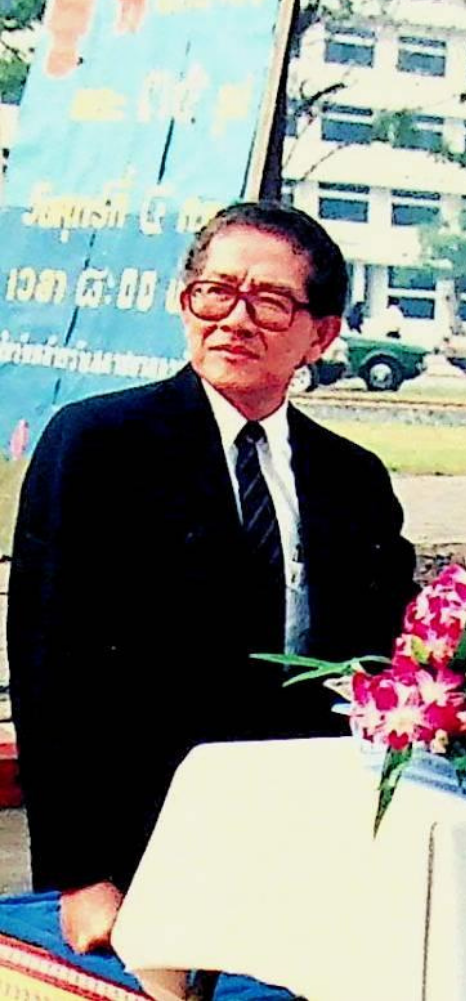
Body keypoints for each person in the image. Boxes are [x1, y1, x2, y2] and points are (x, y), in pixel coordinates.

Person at [8, 202, 417, 954]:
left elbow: (386, 658)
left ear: (321, 335)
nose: (235, 319)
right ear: (184, 301)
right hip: (142, 844)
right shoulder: (98, 444)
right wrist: (81, 873)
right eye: (215, 292)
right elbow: (49, 665)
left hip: (306, 840)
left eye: (270, 302)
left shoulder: (352, 479)